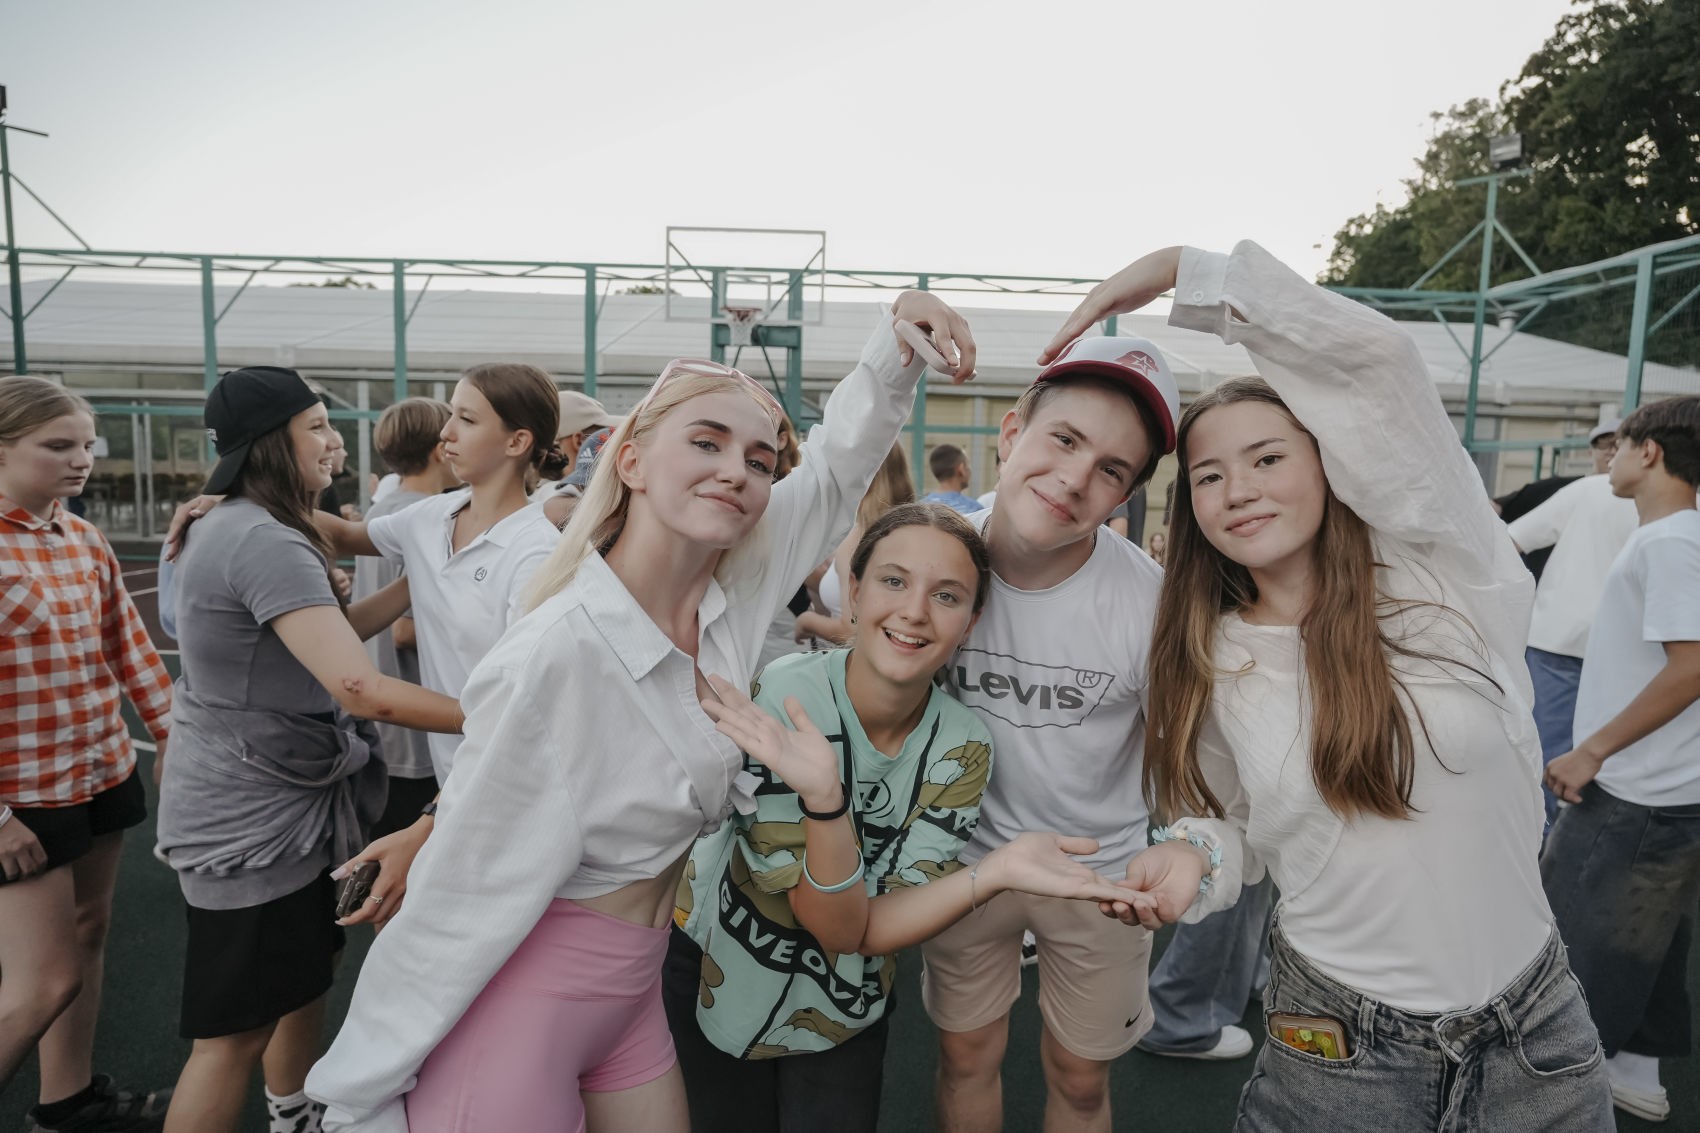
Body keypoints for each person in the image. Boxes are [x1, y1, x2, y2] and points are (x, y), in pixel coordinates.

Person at [304, 294, 975, 1133]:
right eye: (706, 442)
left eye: (760, 459)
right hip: (527, 1008)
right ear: (630, 461)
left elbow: (838, 468)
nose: (737, 469)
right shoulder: (554, 648)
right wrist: (359, 1090)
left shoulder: (729, 600)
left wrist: (896, 343)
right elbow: (460, 895)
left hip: (633, 997)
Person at [1082, 243, 1611, 1132]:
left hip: (1535, 1037)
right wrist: (1193, 856)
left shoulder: (1447, 575)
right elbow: (1231, 821)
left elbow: (1382, 368)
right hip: (1338, 1047)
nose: (1237, 490)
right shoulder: (1210, 655)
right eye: (1208, 475)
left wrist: (1191, 273)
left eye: (1267, 459)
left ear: (1332, 464)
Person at [665, 504, 1125, 1132]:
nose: (914, 610)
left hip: (842, 1007)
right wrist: (828, 801)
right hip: (722, 974)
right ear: (853, 591)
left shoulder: (963, 745)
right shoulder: (788, 694)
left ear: (972, 620)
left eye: (947, 595)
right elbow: (833, 924)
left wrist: (995, 871)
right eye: (893, 580)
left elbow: (866, 929)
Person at [156, 367, 466, 1133]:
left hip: (272, 800)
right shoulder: (263, 538)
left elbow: (329, 635)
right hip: (252, 816)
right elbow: (360, 687)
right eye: (318, 426)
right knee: (230, 1036)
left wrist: (422, 577)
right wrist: (497, 716)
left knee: (299, 983)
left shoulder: (246, 520)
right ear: (271, 443)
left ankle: (291, 1110)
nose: (336, 442)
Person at [922, 335, 1178, 1133]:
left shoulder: (1152, 604)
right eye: (1064, 439)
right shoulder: (930, 557)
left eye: (1111, 468)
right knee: (965, 1056)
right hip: (966, 861)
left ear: (1126, 495)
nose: (1074, 477)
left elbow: (1192, 760)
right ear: (1011, 433)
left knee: (1080, 1078)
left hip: (1100, 872)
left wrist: (1194, 846)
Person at [0, 376, 176, 1132]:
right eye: (58, 445)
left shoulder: (81, 536)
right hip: (24, 795)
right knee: (42, 983)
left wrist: (170, 734)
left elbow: (129, 649)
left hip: (101, 770)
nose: (81, 460)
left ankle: (67, 1104)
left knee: (89, 932)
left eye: (86, 445)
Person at [1540, 396, 1700, 1125]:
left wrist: (1591, 751)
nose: (1611, 456)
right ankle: (1637, 1071)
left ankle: (1556, 1092)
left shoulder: (1669, 542)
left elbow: (1692, 665)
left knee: (1571, 943)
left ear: (1650, 452)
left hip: (1638, 791)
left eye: (1622, 442)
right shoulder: (1674, 537)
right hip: (1664, 790)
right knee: (1649, 938)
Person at [1505, 427, 1637, 822]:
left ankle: (1541, 838)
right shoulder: (1685, 506)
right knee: (1612, 759)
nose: (1610, 454)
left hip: (1558, 639)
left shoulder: (1586, 490)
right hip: (1630, 651)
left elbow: (1511, 541)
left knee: (1546, 751)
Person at [353, 397, 459, 839]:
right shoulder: (427, 519)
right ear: (440, 450)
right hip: (415, 733)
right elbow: (403, 630)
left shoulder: (380, 511)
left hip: (382, 726)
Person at [795, 443, 914, 646]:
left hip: (848, 659)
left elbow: (851, 630)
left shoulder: (860, 537)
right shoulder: (911, 530)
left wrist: (806, 621)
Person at [535, 390, 622, 529]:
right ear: (579, 440)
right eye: (600, 434)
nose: (610, 440)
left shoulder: (536, 495)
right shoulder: (557, 498)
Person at [922, 443, 982, 514]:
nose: (970, 470)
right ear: (961, 469)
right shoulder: (974, 509)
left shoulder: (921, 507)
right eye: (968, 465)